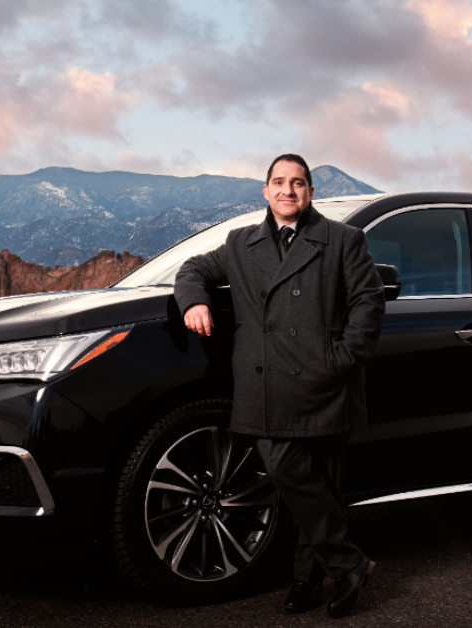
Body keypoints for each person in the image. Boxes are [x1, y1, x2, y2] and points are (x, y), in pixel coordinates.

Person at [174, 153, 385, 618]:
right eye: (278, 182)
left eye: (298, 183)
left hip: (328, 383)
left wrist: (340, 361)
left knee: (320, 490)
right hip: (267, 386)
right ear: (265, 191)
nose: (287, 190)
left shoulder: (343, 240)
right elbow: (191, 270)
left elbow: (368, 306)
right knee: (291, 474)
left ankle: (307, 581)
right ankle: (350, 564)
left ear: (311, 192)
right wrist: (193, 303)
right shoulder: (239, 243)